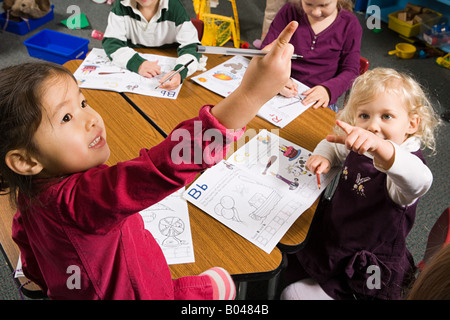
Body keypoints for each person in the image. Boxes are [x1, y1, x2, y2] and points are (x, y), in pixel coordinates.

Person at [0, 21, 299, 300]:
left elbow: (22, 233)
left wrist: (40, 275)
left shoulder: (29, 189)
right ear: (25, 161)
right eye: (66, 117)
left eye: (82, 102)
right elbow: (162, 167)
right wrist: (250, 96)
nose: (91, 119)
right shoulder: (79, 200)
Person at [281, 68, 441, 300]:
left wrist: (382, 148)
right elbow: (333, 146)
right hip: (337, 234)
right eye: (364, 116)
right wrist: (323, 157)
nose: (373, 127)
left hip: (367, 262)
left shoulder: (404, 163)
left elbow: (421, 181)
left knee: (292, 294)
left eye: (387, 116)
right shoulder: (361, 143)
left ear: (412, 124)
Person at [261, 0, 362, 112]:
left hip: (318, 98)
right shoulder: (289, 11)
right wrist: (277, 78)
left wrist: (328, 90)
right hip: (280, 83)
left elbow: (351, 71)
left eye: (324, 5)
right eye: (308, 4)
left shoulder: (350, 24)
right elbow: (266, 50)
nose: (316, 12)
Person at [102, 0, 201, 91]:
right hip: (135, 57)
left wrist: (180, 71)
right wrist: (138, 64)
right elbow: (112, 43)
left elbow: (192, 46)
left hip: (170, 53)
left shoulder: (174, 6)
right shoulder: (121, 4)